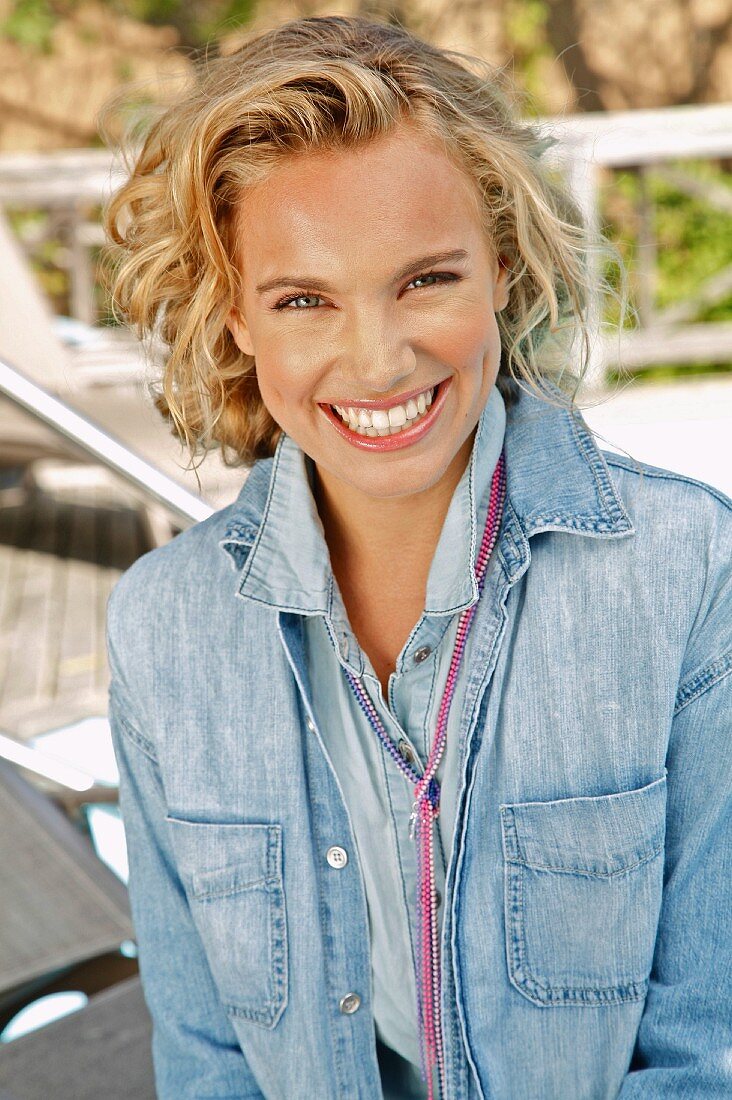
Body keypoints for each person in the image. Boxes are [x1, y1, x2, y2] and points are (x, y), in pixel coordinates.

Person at [103, 15, 732, 1100]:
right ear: (237, 317)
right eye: (304, 299)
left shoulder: (686, 569)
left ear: (500, 261)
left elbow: (707, 1045)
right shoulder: (162, 626)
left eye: (425, 279)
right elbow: (206, 1060)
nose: (379, 357)